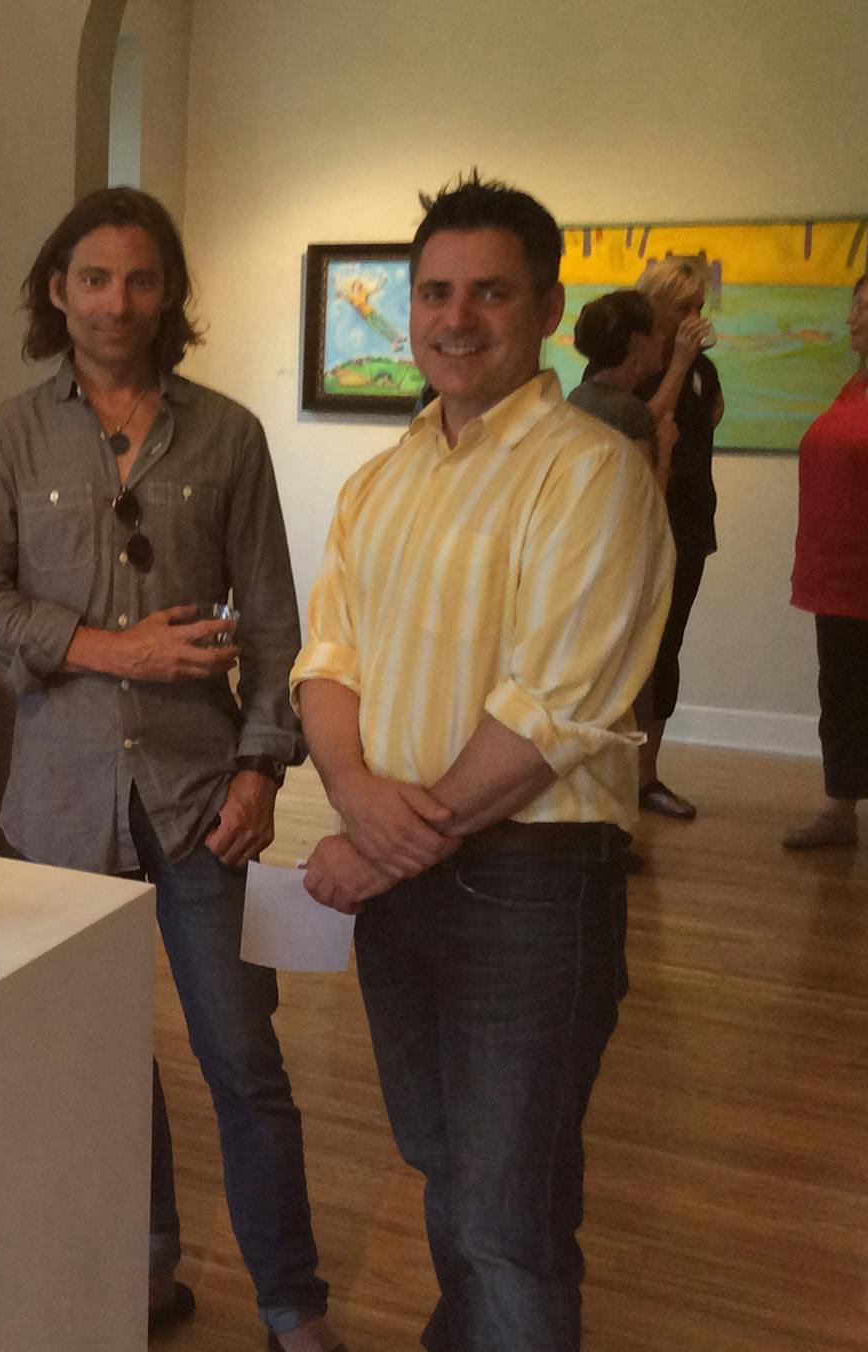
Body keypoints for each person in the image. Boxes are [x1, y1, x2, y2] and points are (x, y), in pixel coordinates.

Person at [0, 187, 340, 1352]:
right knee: (101, 1055)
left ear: (172, 295)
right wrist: (113, 646)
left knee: (243, 1059)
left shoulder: (228, 436)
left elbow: (272, 619)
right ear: (57, 292)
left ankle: (293, 1302)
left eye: (141, 278)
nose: (119, 300)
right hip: (60, 800)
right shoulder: (12, 435)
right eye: (95, 278)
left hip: (202, 794)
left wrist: (265, 765)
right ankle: (144, 1263)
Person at [293, 173, 673, 1351]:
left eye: (491, 292)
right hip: (402, 874)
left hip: (530, 883)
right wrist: (358, 804)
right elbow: (326, 658)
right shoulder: (381, 478)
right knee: (444, 1159)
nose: (457, 317)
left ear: (549, 305)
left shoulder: (590, 473)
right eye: (436, 293)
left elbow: (557, 705)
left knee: (508, 1206)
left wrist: (384, 837)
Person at [632, 254, 722, 822]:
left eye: (698, 306)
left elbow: (708, 417)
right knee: (628, 654)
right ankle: (615, 778)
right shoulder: (631, 364)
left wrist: (692, 366)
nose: (693, 317)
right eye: (682, 306)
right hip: (640, 526)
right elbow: (636, 426)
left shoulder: (701, 368)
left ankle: (648, 778)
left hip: (689, 522)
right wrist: (679, 360)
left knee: (668, 650)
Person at [783, 271, 868, 850]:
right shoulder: (854, 387)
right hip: (838, 576)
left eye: (863, 307)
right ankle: (840, 810)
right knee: (841, 698)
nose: (851, 318)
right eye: (853, 307)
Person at [568, 287, 678, 484]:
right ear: (636, 342)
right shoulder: (630, 413)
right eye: (656, 331)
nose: (663, 338)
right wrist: (664, 456)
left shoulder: (577, 396)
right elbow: (645, 506)